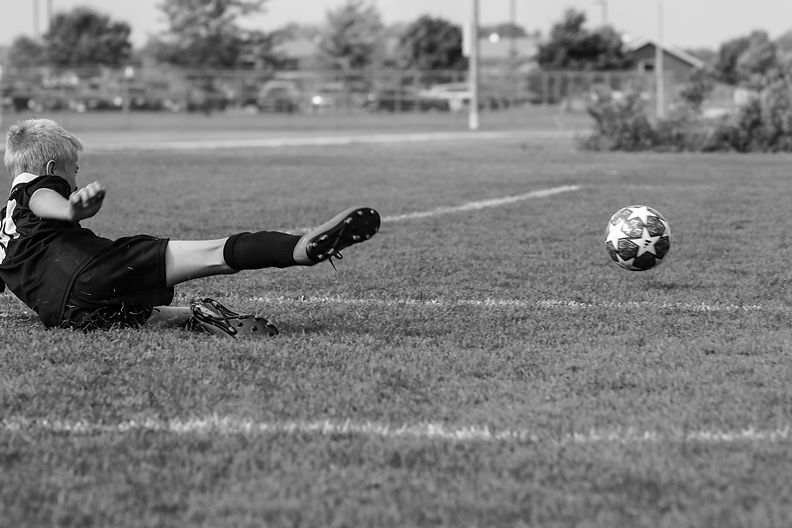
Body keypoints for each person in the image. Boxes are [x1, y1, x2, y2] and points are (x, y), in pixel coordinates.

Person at [0, 118, 380, 337]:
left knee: (132, 313)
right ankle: (298, 248)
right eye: (73, 169)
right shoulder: (38, 188)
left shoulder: (3, 223)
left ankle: (197, 315)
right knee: (213, 253)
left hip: (67, 316)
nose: (77, 174)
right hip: (93, 270)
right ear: (51, 169)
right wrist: (69, 210)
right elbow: (42, 199)